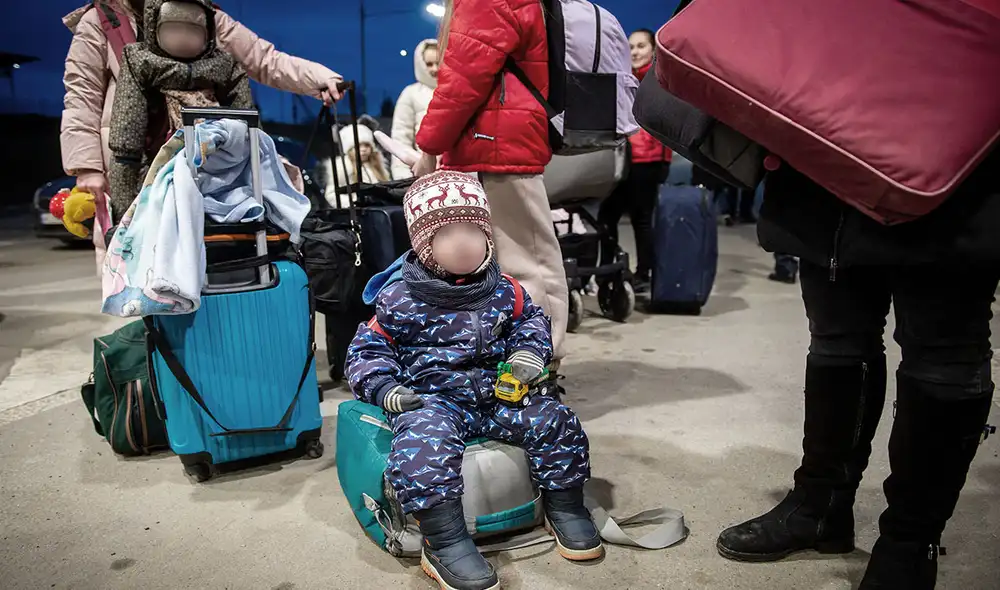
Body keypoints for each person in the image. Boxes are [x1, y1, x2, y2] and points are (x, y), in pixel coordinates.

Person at [716, 146, 1000, 588]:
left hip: (955, 158)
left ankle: (909, 545)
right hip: (829, 157)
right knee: (837, 336)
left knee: (944, 352)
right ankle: (820, 508)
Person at [346, 171, 601, 590]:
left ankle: (566, 506)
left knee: (555, 419)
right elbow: (367, 351)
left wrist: (527, 354)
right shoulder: (398, 299)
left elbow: (531, 323)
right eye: (446, 234)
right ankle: (444, 540)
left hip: (501, 395)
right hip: (435, 400)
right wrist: (385, 389)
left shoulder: (506, 289)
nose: (463, 242)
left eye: (473, 230)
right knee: (422, 446)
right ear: (423, 244)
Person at [61, 0, 343, 261]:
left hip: (206, 161)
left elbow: (262, 58)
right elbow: (81, 96)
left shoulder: (201, 12)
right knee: (135, 258)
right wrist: (87, 167)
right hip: (133, 166)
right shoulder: (102, 20)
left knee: (218, 255)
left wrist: (317, 78)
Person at [409, 0, 571, 377]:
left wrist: (429, 145)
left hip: (496, 144)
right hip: (498, 141)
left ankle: (540, 361)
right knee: (513, 261)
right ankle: (521, 360)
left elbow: (462, 80)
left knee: (524, 263)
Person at [107, 0, 253, 220]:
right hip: (158, 171)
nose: (183, 38)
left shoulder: (224, 66)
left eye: (192, 30)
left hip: (219, 171)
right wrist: (125, 212)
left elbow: (248, 123)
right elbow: (126, 136)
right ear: (155, 29)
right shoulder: (141, 63)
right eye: (173, 29)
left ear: (207, 33)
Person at [597, 27, 671, 293]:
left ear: (654, 50)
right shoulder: (623, 79)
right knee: (607, 215)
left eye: (641, 46)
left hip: (648, 161)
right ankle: (610, 268)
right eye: (630, 47)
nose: (635, 52)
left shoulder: (659, 81)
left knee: (641, 218)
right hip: (623, 160)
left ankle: (644, 273)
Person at [389, 39, 439, 180]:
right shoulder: (410, 93)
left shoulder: (456, 91)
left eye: (438, 63)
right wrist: (402, 176)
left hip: (455, 173)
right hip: (422, 173)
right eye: (429, 64)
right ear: (420, 63)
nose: (435, 68)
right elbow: (400, 137)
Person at [321, 121, 390, 207]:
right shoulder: (343, 168)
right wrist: (353, 203)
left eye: (366, 145)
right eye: (358, 146)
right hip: (356, 211)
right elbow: (332, 194)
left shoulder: (376, 166)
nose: (363, 149)